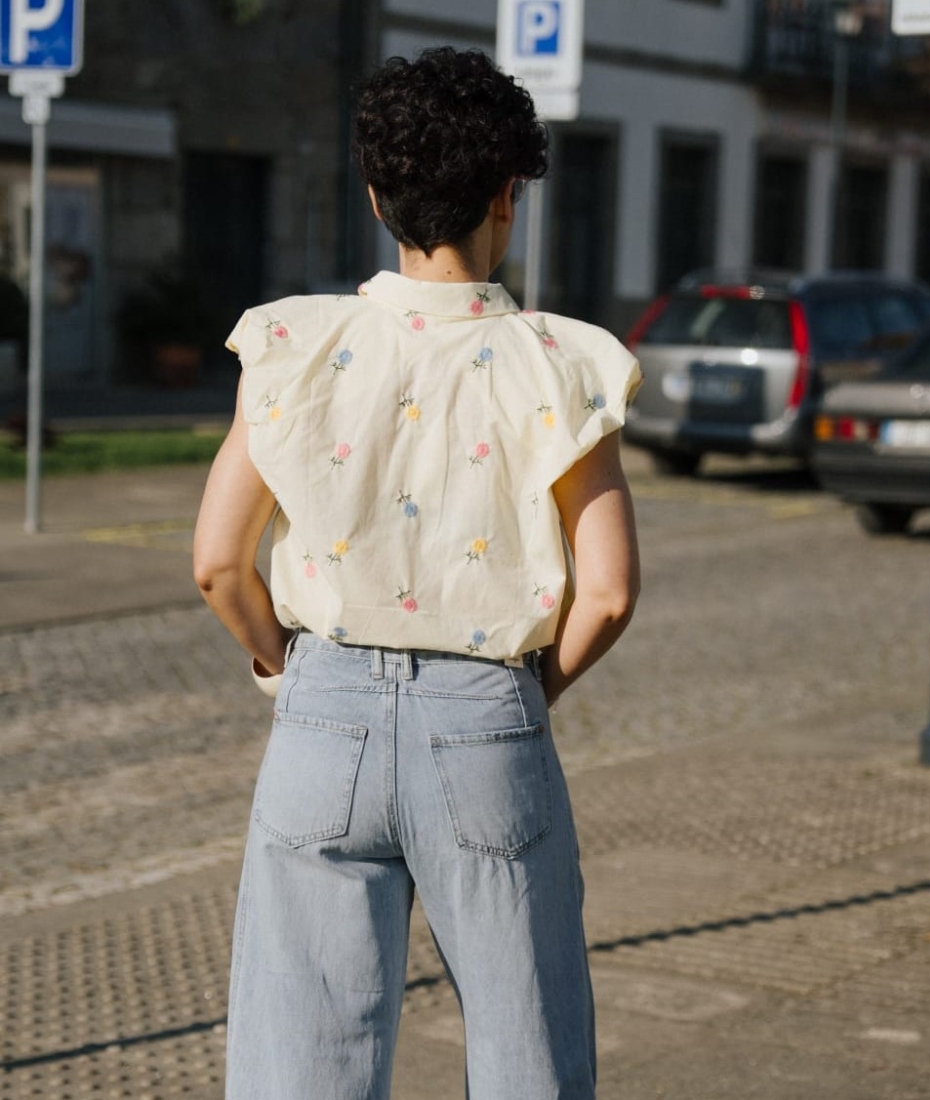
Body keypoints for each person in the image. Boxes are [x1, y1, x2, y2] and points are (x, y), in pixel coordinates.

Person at [193, 45, 641, 1100]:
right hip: (485, 719)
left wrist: (281, 669)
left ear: (374, 195)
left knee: (297, 1058)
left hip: (321, 714)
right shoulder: (558, 362)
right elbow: (610, 588)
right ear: (505, 197)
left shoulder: (295, 345)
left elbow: (218, 561)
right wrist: (528, 693)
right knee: (528, 1045)